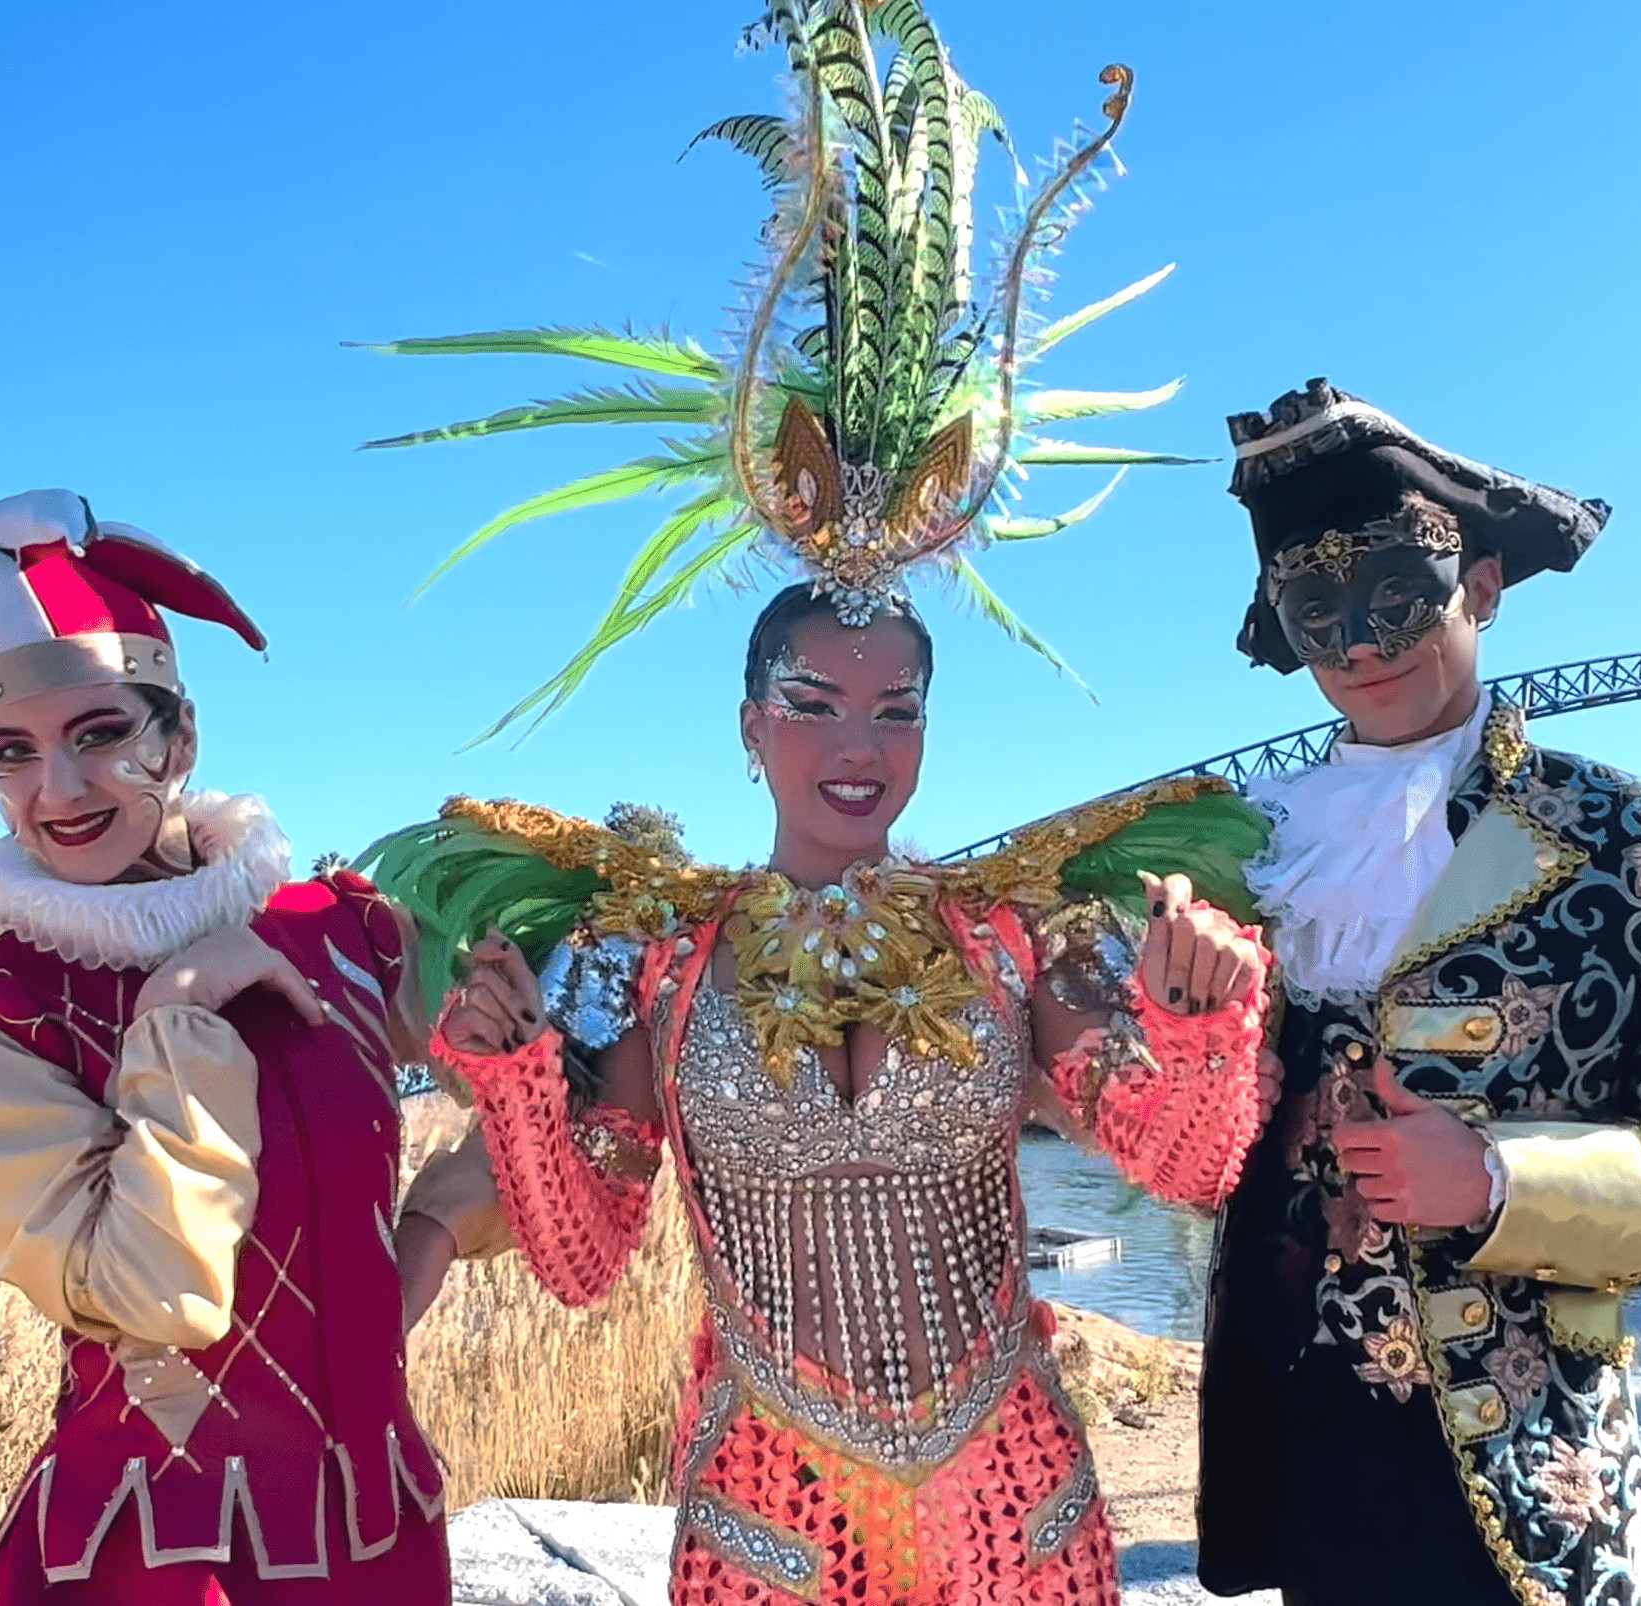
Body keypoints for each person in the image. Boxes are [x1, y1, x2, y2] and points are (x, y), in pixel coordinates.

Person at [360, 8, 1278, 1600]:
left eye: (897, 709)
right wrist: (511, 1079)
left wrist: (1200, 1034)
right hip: (764, 1518)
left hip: (1018, 1512)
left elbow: (1191, 1169)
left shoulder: (1005, 937)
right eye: (816, 704)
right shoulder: (661, 958)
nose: (858, 741)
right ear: (749, 726)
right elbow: (582, 1264)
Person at [1193, 382, 1641, 1606]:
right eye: (1318, 611)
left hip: (1523, 1470)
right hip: (1304, 1452)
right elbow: (1198, 1139)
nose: (1361, 645)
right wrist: (1176, 1027)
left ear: (1480, 585)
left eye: (1395, 594)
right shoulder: (1247, 856)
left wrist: (1497, 1182)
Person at [0, 489, 451, 1603]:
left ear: (182, 736)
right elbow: (158, 1294)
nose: (56, 791)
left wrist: (433, 1238)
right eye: (8, 752)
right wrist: (181, 1007)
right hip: (148, 1561)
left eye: (101, 733)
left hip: (378, 1541)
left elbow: (551, 1109)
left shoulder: (341, 931)